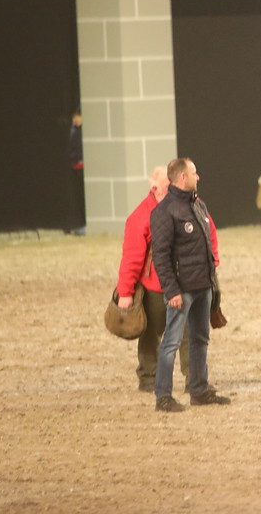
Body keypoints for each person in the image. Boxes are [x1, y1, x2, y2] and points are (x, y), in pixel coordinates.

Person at [151, 158, 230, 412]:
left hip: (202, 287)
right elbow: (160, 256)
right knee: (171, 343)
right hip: (182, 290)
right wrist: (171, 290)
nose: (199, 177)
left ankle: (199, 389)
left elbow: (206, 245)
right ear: (183, 178)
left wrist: (211, 284)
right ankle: (163, 396)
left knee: (200, 338)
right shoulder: (164, 212)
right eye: (195, 173)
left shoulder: (198, 205)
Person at [115, 166, 192, 393]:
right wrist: (125, 293)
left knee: (188, 333)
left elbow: (209, 235)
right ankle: (149, 379)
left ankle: (194, 379)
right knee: (150, 333)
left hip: (185, 284)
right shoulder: (140, 217)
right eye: (169, 186)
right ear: (155, 189)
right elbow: (132, 258)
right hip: (154, 290)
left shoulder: (190, 205)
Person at [67, 108, 86, 236]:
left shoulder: (83, 132)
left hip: (82, 167)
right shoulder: (73, 132)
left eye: (77, 116)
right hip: (75, 167)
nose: (76, 119)